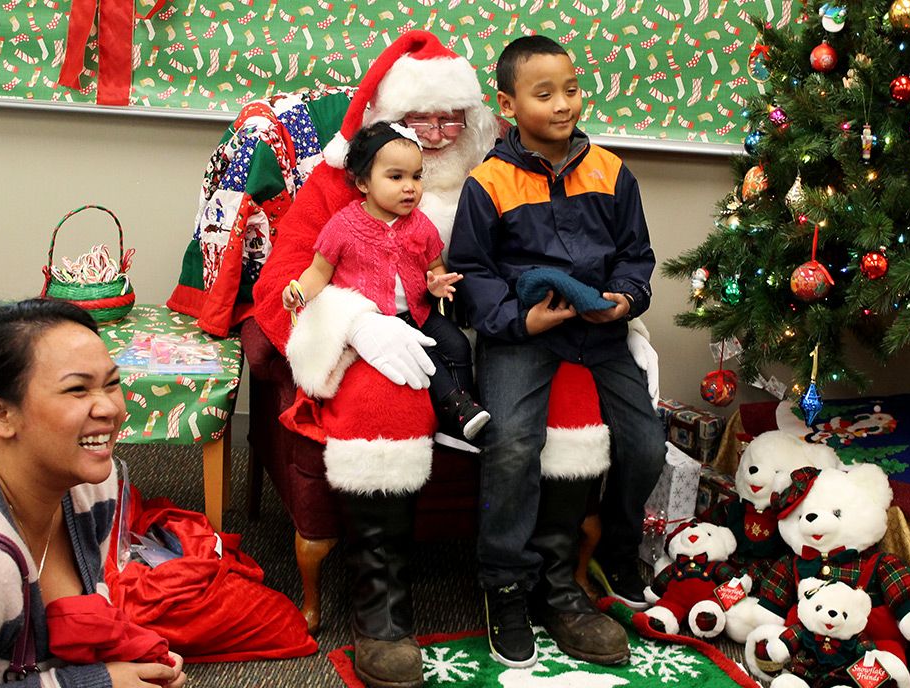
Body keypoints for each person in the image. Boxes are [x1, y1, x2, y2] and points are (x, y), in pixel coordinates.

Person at [251, 31, 657, 688]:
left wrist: (619, 316)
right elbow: (284, 282)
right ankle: (381, 606)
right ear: (389, 126)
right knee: (387, 399)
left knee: (575, 402)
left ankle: (555, 585)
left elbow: (603, 249)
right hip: (388, 348)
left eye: (451, 118)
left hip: (512, 340)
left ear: (478, 118)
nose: (437, 134)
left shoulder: (505, 170)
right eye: (419, 120)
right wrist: (355, 323)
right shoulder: (342, 187)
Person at [447, 35, 667, 668]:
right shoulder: (487, 183)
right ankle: (507, 586)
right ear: (508, 104)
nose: (563, 103)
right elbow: (472, 276)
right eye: (544, 94)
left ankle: (613, 554)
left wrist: (626, 298)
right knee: (513, 443)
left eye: (570, 89)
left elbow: (636, 256)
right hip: (526, 335)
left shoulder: (611, 171)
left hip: (600, 332)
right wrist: (522, 320)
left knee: (646, 442)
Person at [0, 299, 186, 688]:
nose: (109, 408)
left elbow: (93, 610)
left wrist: (135, 662)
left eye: (111, 383)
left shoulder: (91, 485)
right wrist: (96, 682)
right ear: (0, 414)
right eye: (77, 389)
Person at [282, 121, 490, 440]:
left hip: (418, 313)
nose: (410, 187)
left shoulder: (420, 226)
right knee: (427, 358)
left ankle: (459, 415)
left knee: (457, 345)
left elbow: (435, 267)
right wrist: (299, 290)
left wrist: (435, 284)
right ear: (364, 182)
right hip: (376, 322)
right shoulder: (344, 226)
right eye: (396, 177)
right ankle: (458, 409)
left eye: (416, 177)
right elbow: (319, 272)